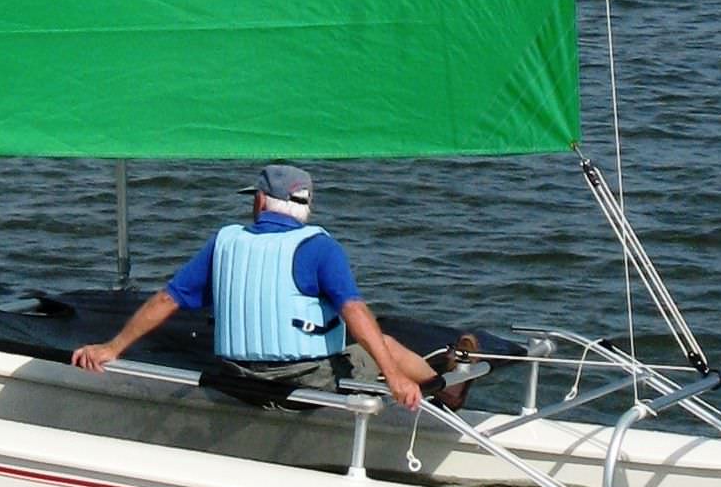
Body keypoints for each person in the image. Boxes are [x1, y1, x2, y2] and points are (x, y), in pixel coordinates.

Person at [71, 164, 470, 410]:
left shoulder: (224, 241)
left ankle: (433, 382)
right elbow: (354, 312)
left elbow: (167, 299)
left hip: (238, 376)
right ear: (305, 207)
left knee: (360, 340)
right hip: (302, 381)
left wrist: (111, 349)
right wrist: (393, 376)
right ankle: (443, 391)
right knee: (385, 345)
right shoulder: (319, 247)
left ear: (261, 201)